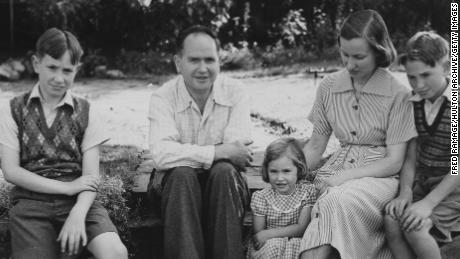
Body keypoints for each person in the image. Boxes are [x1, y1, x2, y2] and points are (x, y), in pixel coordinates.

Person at [299, 10, 417, 259]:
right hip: (336, 170)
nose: (349, 64)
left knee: (335, 200)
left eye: (359, 57)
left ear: (378, 51)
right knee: (308, 200)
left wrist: (345, 177)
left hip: (379, 178)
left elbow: (394, 161)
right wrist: (291, 171)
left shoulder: (399, 94)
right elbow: (315, 146)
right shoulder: (329, 86)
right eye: (344, 54)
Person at [0, 28, 128, 259]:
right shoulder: (12, 110)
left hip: (80, 202)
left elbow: (90, 178)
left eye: (67, 70)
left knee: (115, 252)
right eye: (52, 68)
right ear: (36, 63)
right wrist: (66, 187)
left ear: (77, 70)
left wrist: (78, 214)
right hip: (31, 204)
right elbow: (11, 171)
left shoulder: (87, 112)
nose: (59, 78)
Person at [147, 25, 253, 259]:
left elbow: (238, 152)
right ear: (178, 62)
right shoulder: (163, 97)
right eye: (194, 60)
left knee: (224, 172)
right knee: (182, 174)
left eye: (210, 60)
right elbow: (162, 154)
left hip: (225, 188)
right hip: (176, 190)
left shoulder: (236, 92)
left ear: (219, 62)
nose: (203, 69)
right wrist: (217, 151)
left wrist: (195, 154)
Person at [384, 31, 459, 259]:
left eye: (426, 75)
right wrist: (405, 192)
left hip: (452, 188)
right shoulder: (413, 104)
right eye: (411, 77)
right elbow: (411, 155)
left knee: (415, 227)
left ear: (446, 67)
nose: (419, 84)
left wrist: (428, 203)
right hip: (423, 183)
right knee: (392, 219)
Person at [247, 137, 316, 259]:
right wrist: (269, 237)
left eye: (286, 171)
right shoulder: (262, 197)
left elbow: (302, 228)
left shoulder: (306, 193)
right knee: (273, 245)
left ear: (298, 170)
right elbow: (259, 234)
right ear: (266, 171)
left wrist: (269, 234)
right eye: (274, 171)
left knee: (301, 246)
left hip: (294, 243)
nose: (279, 178)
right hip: (269, 247)